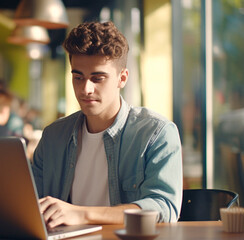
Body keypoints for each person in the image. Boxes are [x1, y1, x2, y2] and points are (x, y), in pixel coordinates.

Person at [32, 21, 183, 228]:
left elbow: (163, 208)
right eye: (78, 77)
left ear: (122, 78)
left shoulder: (156, 133)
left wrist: (83, 215)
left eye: (98, 78)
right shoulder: (53, 136)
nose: (86, 89)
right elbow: (29, 202)